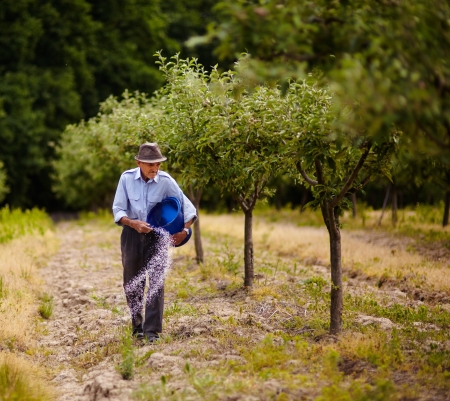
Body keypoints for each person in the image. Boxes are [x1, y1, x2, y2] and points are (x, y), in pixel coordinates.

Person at [112, 142, 197, 342]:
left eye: (158, 164)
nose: (155, 168)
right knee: (133, 282)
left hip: (158, 237)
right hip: (132, 235)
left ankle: (152, 331)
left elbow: (189, 208)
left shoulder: (166, 181)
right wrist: (133, 224)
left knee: (157, 282)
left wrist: (185, 230)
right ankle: (137, 326)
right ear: (139, 162)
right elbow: (118, 210)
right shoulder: (126, 179)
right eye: (151, 164)